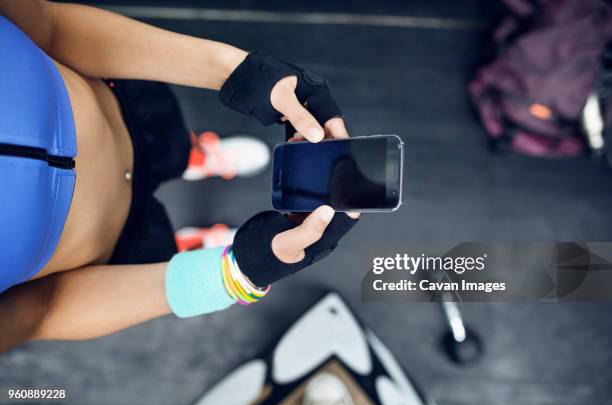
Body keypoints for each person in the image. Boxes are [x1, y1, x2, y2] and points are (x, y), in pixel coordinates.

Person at [0, 1, 358, 353]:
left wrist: (240, 72)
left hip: (132, 115)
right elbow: (44, 309)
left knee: (175, 145)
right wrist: (231, 275)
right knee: (166, 256)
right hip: (118, 253)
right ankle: (194, 252)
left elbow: (49, 25)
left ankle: (195, 157)